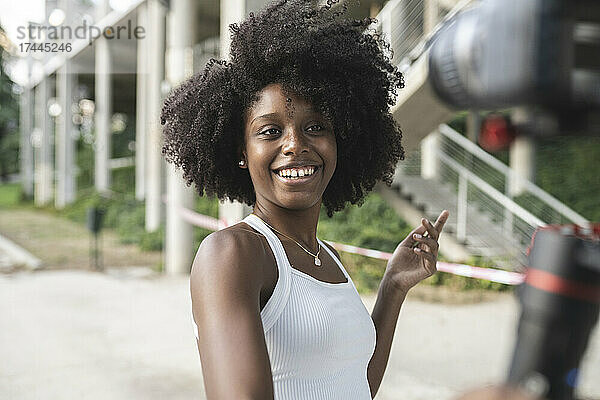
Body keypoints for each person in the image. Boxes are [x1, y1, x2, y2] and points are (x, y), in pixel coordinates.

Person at [161, 0, 449, 398]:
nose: (295, 145)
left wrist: (394, 286)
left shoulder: (327, 257)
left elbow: (353, 384)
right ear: (241, 152)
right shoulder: (232, 254)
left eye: (315, 127)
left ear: (339, 141)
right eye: (269, 131)